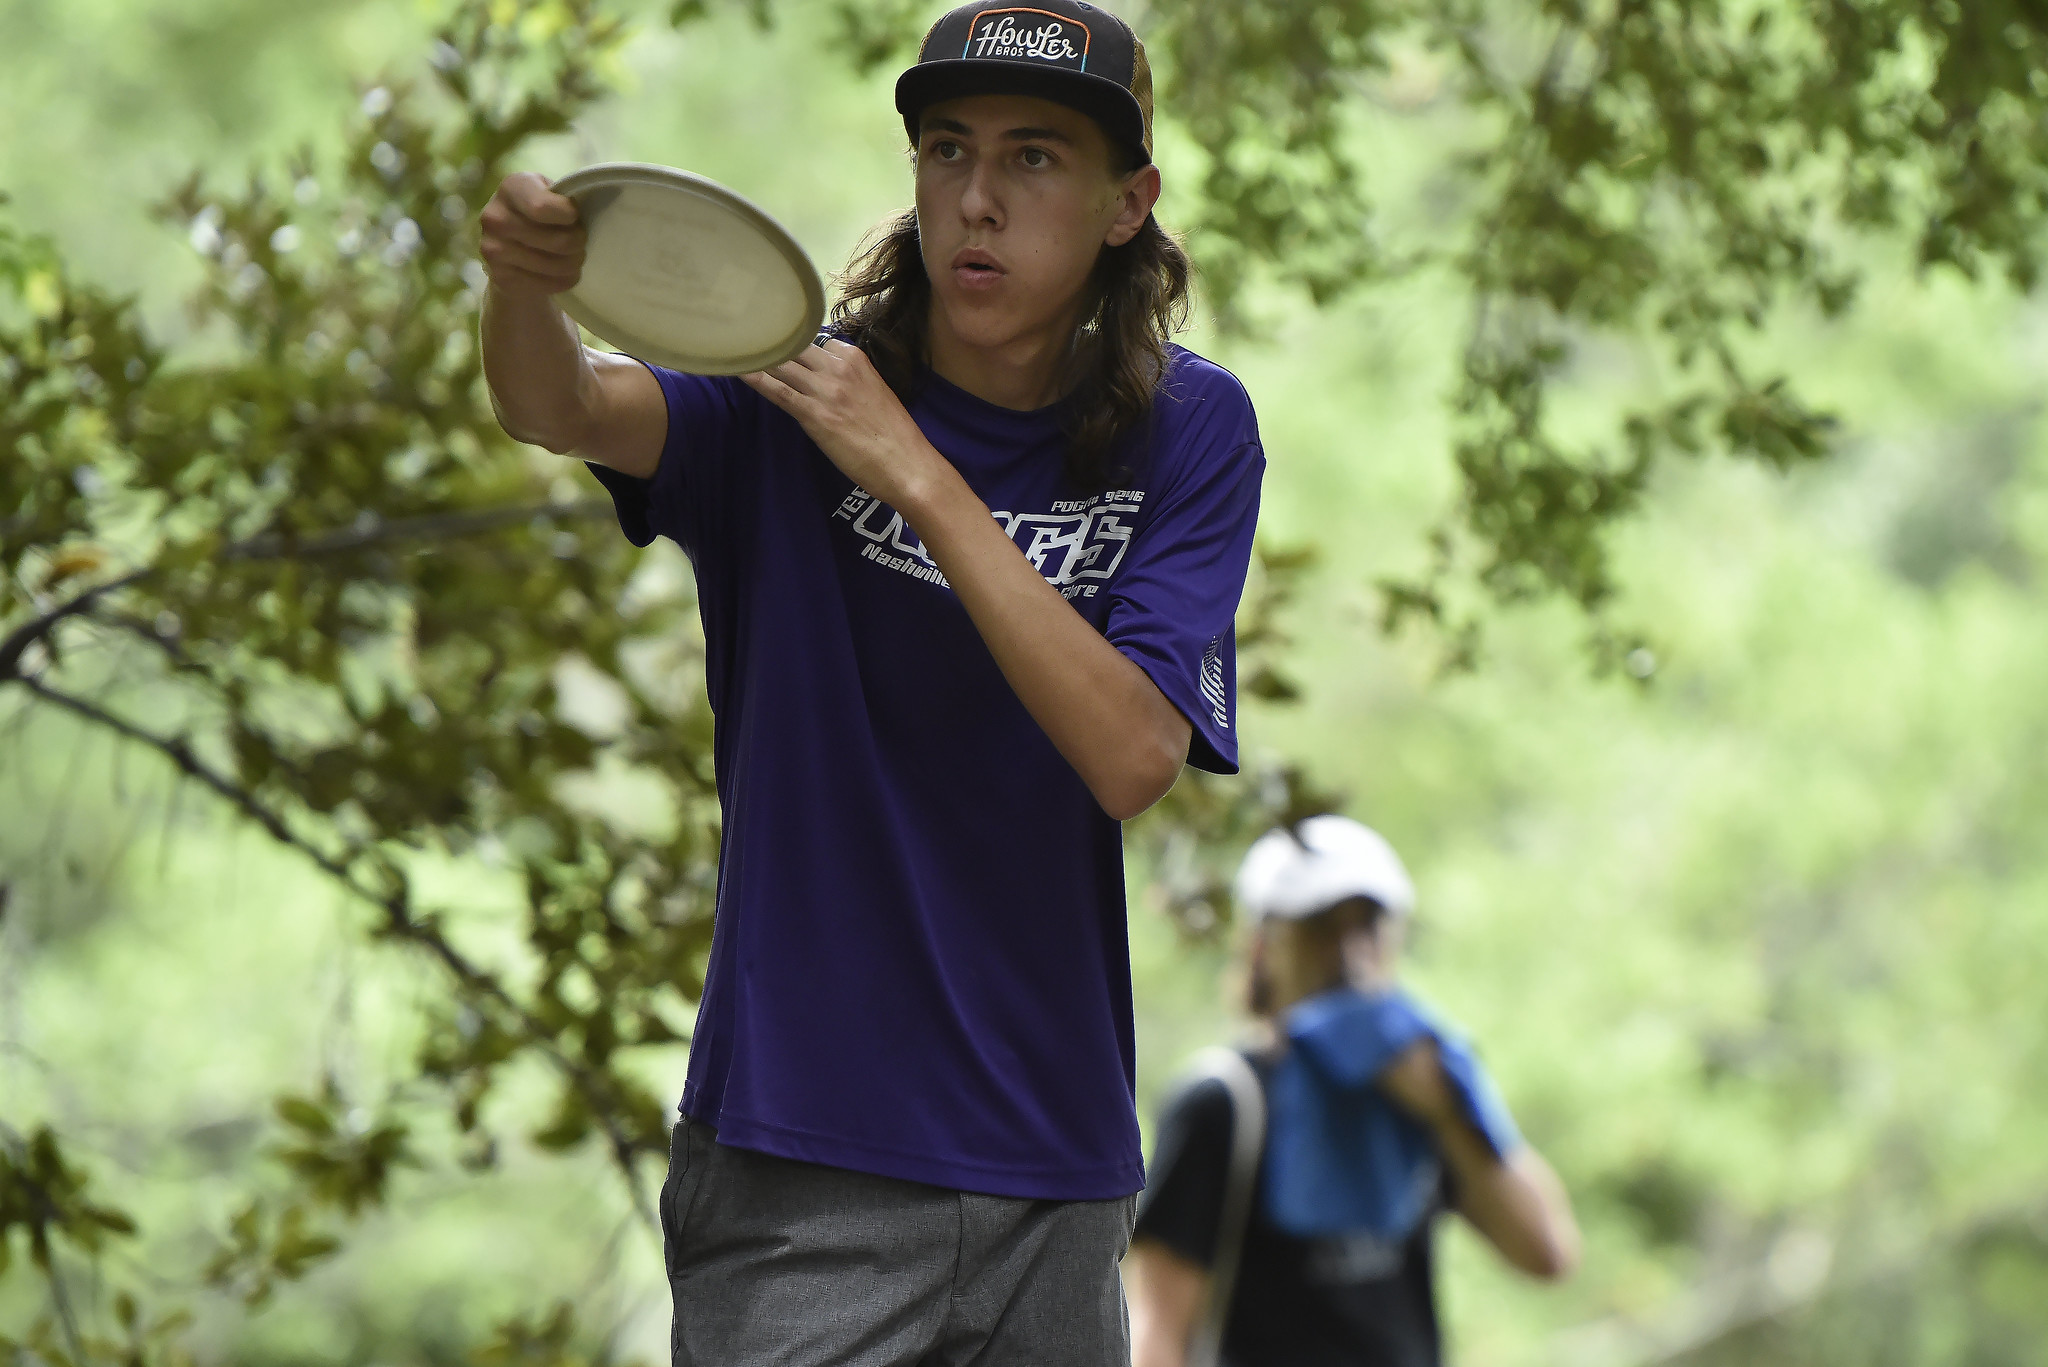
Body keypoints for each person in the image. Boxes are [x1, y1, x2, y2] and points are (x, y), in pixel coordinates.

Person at [474, 3, 1265, 1363]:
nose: (978, 198)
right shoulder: (792, 392)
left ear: (1127, 202)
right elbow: (563, 406)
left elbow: (1133, 753)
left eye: (1034, 159)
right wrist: (524, 284)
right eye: (948, 148)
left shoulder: (1189, 430)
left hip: (1057, 1166)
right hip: (803, 1152)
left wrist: (915, 474)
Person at [1128, 815, 1580, 1367]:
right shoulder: (1223, 1101)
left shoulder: (1418, 1088)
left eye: (1367, 925)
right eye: (1321, 927)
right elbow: (1157, 1328)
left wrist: (1448, 1112)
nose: (1350, 956)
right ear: (1265, 943)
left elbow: (1546, 1254)